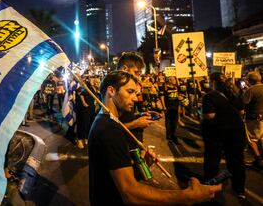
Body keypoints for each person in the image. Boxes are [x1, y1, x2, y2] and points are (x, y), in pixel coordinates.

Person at [88, 71, 221, 205]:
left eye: (135, 93)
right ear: (111, 91)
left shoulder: (109, 122)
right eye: (130, 92)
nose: (135, 98)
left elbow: (115, 177)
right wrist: (187, 196)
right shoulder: (109, 129)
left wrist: (143, 165)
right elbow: (130, 193)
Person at [202, 72, 246, 199]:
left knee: (212, 160)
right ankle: (239, 189)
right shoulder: (235, 94)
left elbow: (210, 116)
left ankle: (210, 186)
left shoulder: (209, 96)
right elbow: (241, 112)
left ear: (213, 82)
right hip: (236, 131)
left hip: (217, 133)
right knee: (237, 161)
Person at [242, 71, 263, 168]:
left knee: (252, 140)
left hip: (254, 119)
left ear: (250, 80)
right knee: (262, 138)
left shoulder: (251, 90)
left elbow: (244, 103)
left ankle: (258, 160)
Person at [162, 76, 182, 144]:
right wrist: (163, 106)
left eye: (175, 80)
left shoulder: (177, 87)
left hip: (175, 107)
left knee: (175, 123)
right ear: (170, 81)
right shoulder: (165, 87)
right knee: (168, 122)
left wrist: (180, 103)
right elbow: (162, 97)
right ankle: (169, 136)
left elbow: (179, 96)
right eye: (174, 80)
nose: (175, 81)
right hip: (168, 107)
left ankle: (173, 135)